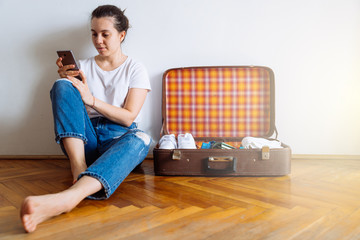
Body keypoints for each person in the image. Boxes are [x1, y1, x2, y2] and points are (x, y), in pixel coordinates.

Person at [20, 5, 152, 233]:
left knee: (142, 137)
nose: (98, 40)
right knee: (62, 84)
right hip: (83, 142)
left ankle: (70, 197)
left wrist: (91, 99)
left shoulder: (135, 68)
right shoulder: (83, 67)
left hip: (118, 141)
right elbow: (70, 110)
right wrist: (69, 87)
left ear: (121, 35)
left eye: (105, 34)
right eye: (94, 33)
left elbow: (128, 117)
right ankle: (78, 167)